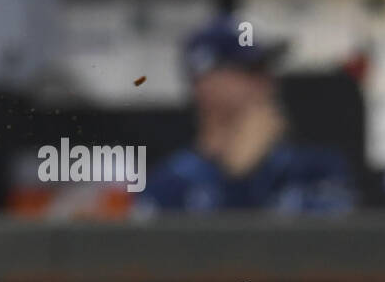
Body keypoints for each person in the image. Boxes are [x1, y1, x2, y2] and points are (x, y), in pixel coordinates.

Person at [139, 18, 355, 214]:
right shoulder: (170, 183)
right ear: (206, 85)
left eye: (267, 69)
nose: (267, 82)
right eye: (250, 70)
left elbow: (332, 247)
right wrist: (238, 174)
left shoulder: (315, 169)